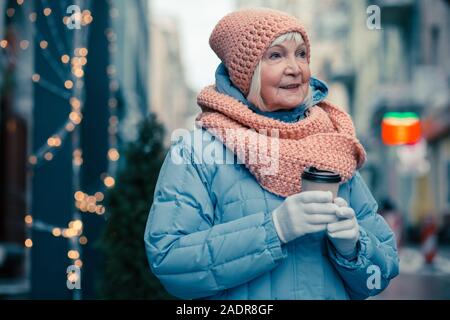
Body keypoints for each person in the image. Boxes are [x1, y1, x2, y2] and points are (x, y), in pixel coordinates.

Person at [144, 8, 399, 300]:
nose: (295, 68)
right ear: (245, 71)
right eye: (276, 55)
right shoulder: (197, 152)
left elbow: (379, 276)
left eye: (301, 54)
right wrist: (273, 230)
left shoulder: (332, 146)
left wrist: (354, 248)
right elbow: (171, 262)